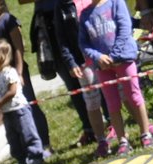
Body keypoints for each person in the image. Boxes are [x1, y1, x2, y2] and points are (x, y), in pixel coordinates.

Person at [78, 0, 153, 152]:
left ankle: (146, 134)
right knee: (112, 103)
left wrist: (114, 56)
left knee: (134, 95)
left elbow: (125, 28)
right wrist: (98, 57)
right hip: (103, 66)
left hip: (123, 58)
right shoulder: (85, 14)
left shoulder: (116, 3)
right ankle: (122, 140)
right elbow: (83, 43)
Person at [33, 0, 111, 146]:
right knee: (73, 81)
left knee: (101, 81)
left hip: (80, 14)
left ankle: (111, 121)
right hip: (51, 18)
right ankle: (90, 129)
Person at [0, 0, 52, 151]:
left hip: (16, 74)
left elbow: (19, 48)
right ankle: (25, 146)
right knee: (12, 111)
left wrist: (19, 72)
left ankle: (44, 143)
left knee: (29, 105)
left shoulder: (8, 20)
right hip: (1, 78)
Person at [0, 39, 48, 164]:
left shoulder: (10, 72)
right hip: (7, 112)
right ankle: (21, 160)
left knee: (27, 133)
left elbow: (12, 91)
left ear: (0, 57)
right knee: (13, 138)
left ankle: (36, 157)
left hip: (19, 110)